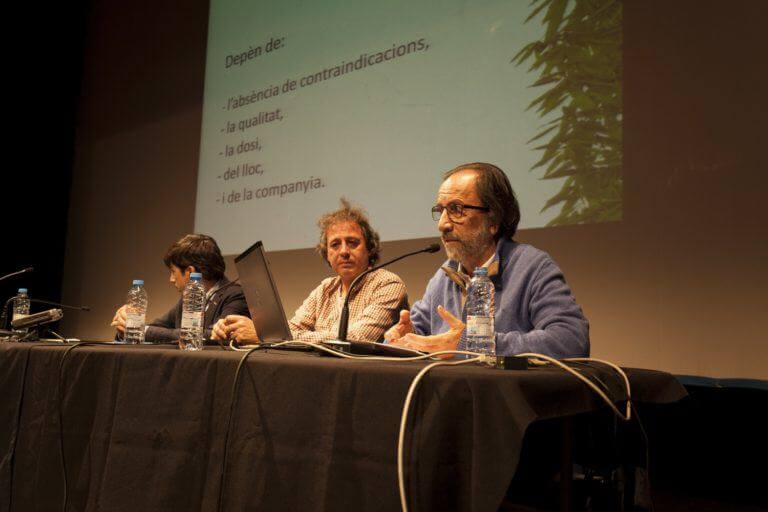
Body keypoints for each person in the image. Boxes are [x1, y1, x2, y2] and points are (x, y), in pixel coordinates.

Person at [385, 162, 589, 358]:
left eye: (456, 209)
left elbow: (571, 340)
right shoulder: (444, 276)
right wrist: (405, 339)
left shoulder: (532, 266)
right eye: (440, 211)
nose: (442, 224)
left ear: (493, 220)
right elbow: (415, 334)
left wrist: (474, 345)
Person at [212, 199, 407, 345]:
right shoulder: (325, 288)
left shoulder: (388, 283)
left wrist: (266, 336)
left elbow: (355, 339)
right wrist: (234, 327)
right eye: (335, 245)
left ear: (369, 249)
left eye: (353, 243)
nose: (344, 251)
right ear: (327, 255)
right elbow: (292, 327)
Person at [111, 234, 249, 343]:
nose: (171, 279)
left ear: (189, 271)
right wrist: (128, 326)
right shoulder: (187, 298)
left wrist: (140, 330)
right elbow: (158, 328)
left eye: (173, 271)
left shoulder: (235, 295)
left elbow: (212, 336)